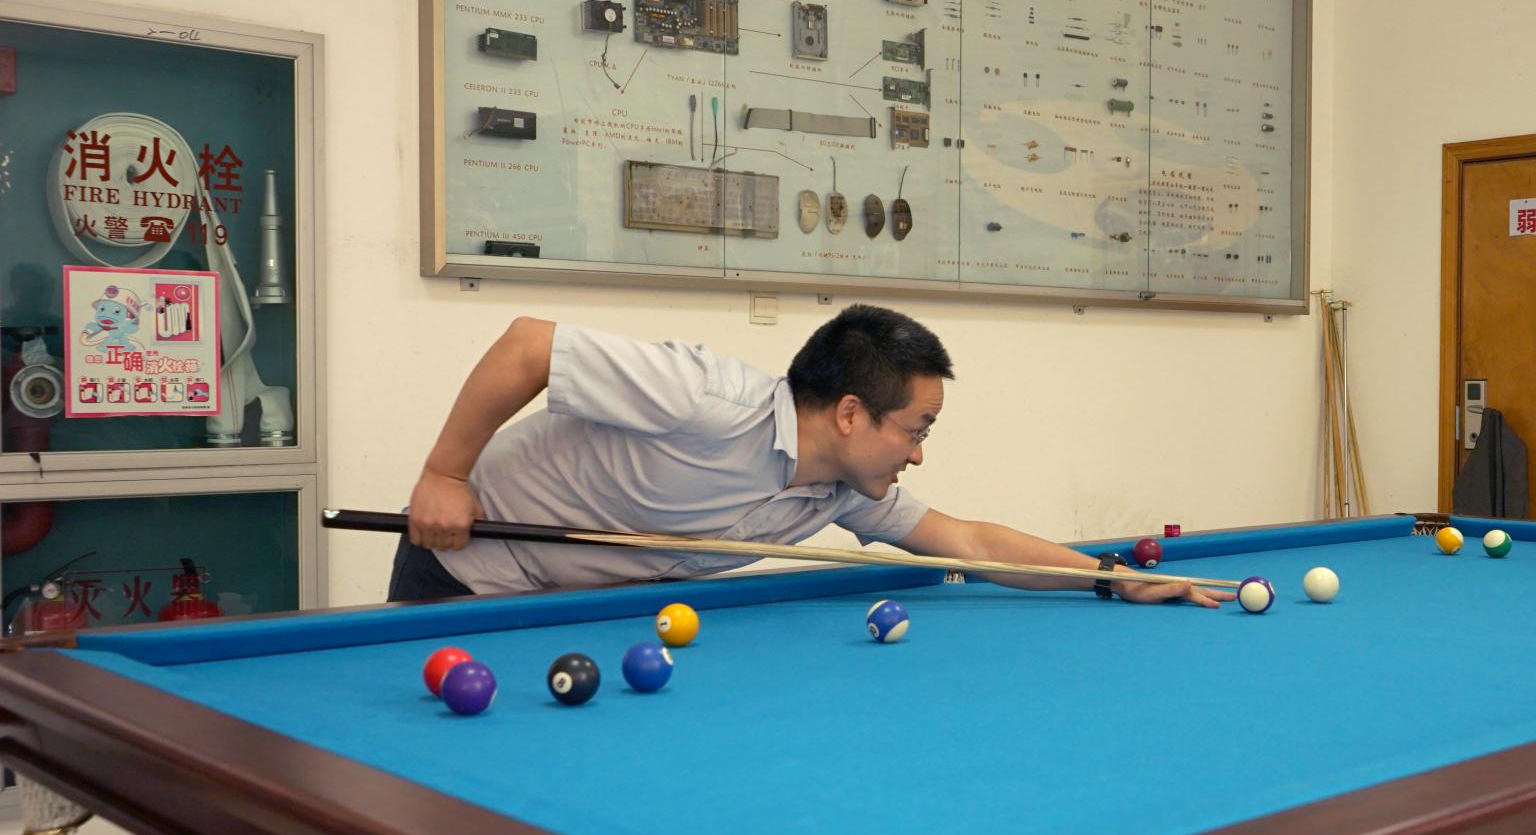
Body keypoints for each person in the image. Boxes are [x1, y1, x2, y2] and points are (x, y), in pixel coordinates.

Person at [391, 304, 1229, 608]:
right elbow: (529, 346)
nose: (918, 455)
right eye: (917, 429)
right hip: (472, 564)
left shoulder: (839, 488)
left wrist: (1109, 576)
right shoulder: (707, 399)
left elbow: (969, 542)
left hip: (584, 602)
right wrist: (445, 474)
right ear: (852, 412)